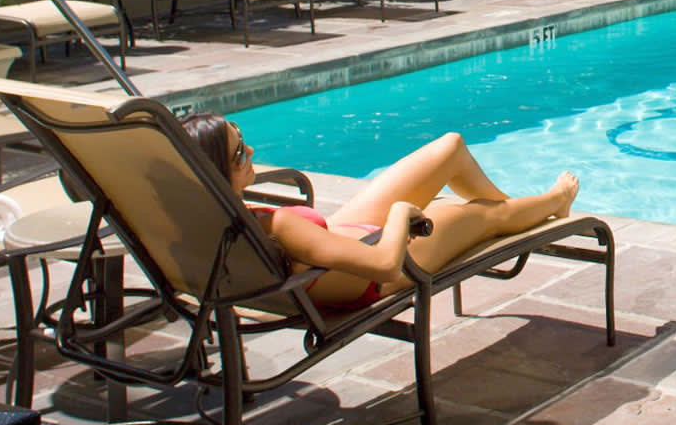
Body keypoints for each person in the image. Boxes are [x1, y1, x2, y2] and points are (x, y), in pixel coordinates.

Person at [182, 113, 577, 310]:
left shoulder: (209, 220)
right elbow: (386, 266)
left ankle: (512, 211)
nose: (249, 152)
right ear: (215, 172)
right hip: (379, 266)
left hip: (339, 242)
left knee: (450, 147)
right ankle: (555, 201)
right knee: (485, 216)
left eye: (243, 140)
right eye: (238, 153)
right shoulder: (278, 225)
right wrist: (403, 214)